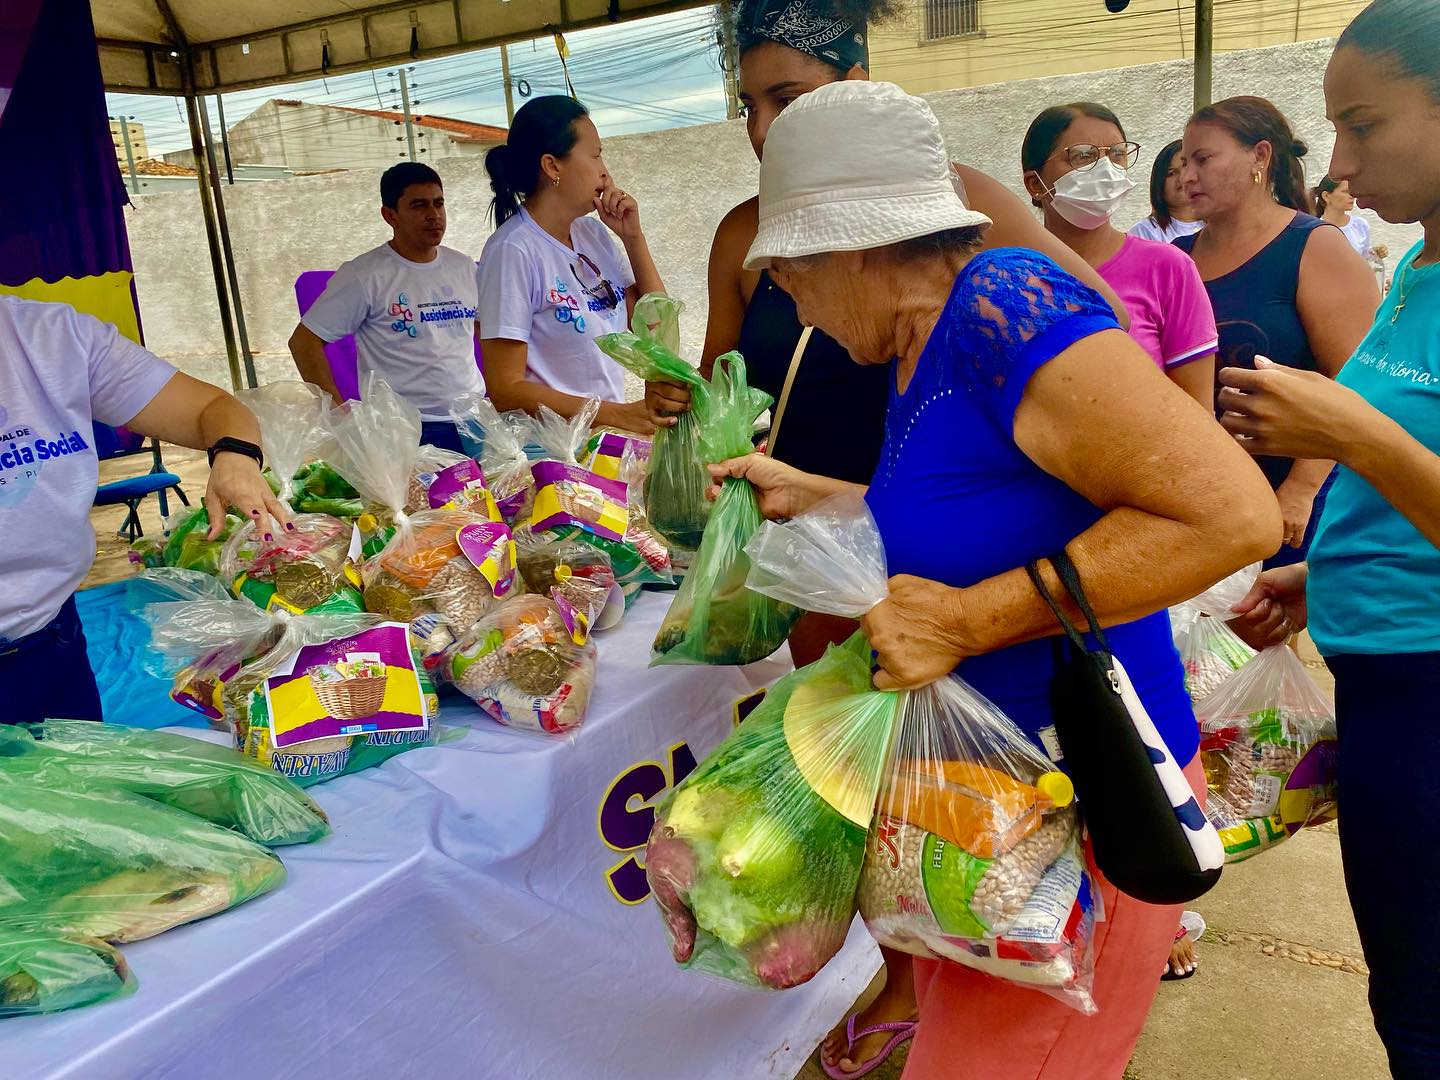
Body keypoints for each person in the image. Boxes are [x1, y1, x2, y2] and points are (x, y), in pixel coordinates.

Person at [711, 80, 1278, 1079]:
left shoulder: (999, 305)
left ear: (852, 248)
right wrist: (821, 495)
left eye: (790, 277)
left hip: (1082, 815)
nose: (790, 305)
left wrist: (971, 621)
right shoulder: (915, 347)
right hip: (987, 823)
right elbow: (991, 513)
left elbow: (1231, 514)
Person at [645, 7, 1131, 1071]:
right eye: (747, 104)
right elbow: (749, 383)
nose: (763, 127)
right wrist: (775, 464)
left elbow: (1198, 484)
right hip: (868, 587)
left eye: (787, 96)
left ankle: (924, 985)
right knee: (869, 796)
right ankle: (911, 959)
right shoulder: (844, 298)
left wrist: (972, 595)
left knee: (1016, 994)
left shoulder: (981, 266)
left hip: (1011, 660)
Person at [1220, 3, 1440, 1073]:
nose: (1340, 164)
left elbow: (1390, 447)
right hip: (1385, 673)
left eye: (1365, 125)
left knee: (1428, 1006)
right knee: (1406, 982)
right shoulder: (1420, 267)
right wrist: (1328, 568)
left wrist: (1346, 430)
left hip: (1429, 683)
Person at [0, 295, 283, 726]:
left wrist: (236, 456)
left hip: (49, 641)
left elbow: (211, 408)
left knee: (77, 768)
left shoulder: (50, 336)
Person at [1176, 96, 1379, 567]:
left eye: (1203, 159)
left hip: (1295, 503)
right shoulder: (1177, 259)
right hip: (1204, 500)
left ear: (1260, 156)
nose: (1187, 177)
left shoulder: (1313, 247)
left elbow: (1355, 384)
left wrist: (1302, 489)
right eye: (1184, 163)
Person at [475, 95, 668, 434]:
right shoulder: (513, 250)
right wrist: (619, 415)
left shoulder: (593, 234)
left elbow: (656, 328)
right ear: (552, 167)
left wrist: (633, 238)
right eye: (595, 155)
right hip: (547, 451)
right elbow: (505, 388)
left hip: (601, 444)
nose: (604, 170)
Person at [1022, 104, 1218, 410]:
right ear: (1036, 184)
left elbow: (1197, 412)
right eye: (1082, 156)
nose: (1105, 169)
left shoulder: (1168, 268)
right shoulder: (1008, 280)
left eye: (1116, 154)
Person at [288, 161, 482, 452]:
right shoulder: (364, 275)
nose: (433, 215)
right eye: (419, 205)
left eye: (439, 203)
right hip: (405, 430)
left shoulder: (464, 266)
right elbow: (304, 342)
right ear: (390, 215)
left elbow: (485, 331)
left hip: (474, 421)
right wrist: (339, 416)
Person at [1129, 139, 1206, 244]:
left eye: (1186, 168)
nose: (1182, 178)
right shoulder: (1144, 232)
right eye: (1171, 173)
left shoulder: (1218, 224)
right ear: (1159, 183)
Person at [1314, 176, 1390, 261]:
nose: (1352, 196)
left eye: (1352, 191)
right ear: (1326, 196)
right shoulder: (1315, 231)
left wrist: (1376, 253)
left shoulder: (1360, 225)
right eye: (1345, 192)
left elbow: (1364, 259)